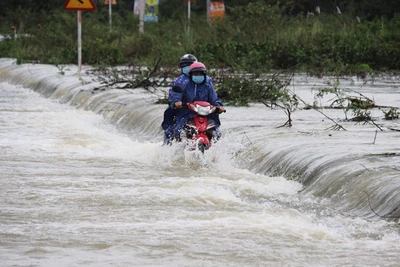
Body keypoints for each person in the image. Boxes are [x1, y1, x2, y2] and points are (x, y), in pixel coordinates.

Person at [169, 61, 225, 142]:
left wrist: (219, 106)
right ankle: (179, 146)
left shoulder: (208, 86)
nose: (198, 76)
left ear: (204, 74)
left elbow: (214, 98)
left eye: (201, 74)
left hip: (206, 113)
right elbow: (176, 95)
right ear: (191, 75)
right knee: (178, 130)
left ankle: (217, 149)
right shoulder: (185, 85)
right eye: (196, 74)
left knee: (216, 132)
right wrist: (176, 102)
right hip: (187, 113)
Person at [162, 54, 198, 145]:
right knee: (175, 129)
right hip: (185, 111)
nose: (188, 67)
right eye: (184, 65)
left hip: (201, 110)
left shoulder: (205, 80)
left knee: (216, 128)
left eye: (190, 64)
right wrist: (176, 102)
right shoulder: (180, 81)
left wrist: (217, 103)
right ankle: (169, 147)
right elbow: (175, 94)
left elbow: (212, 94)